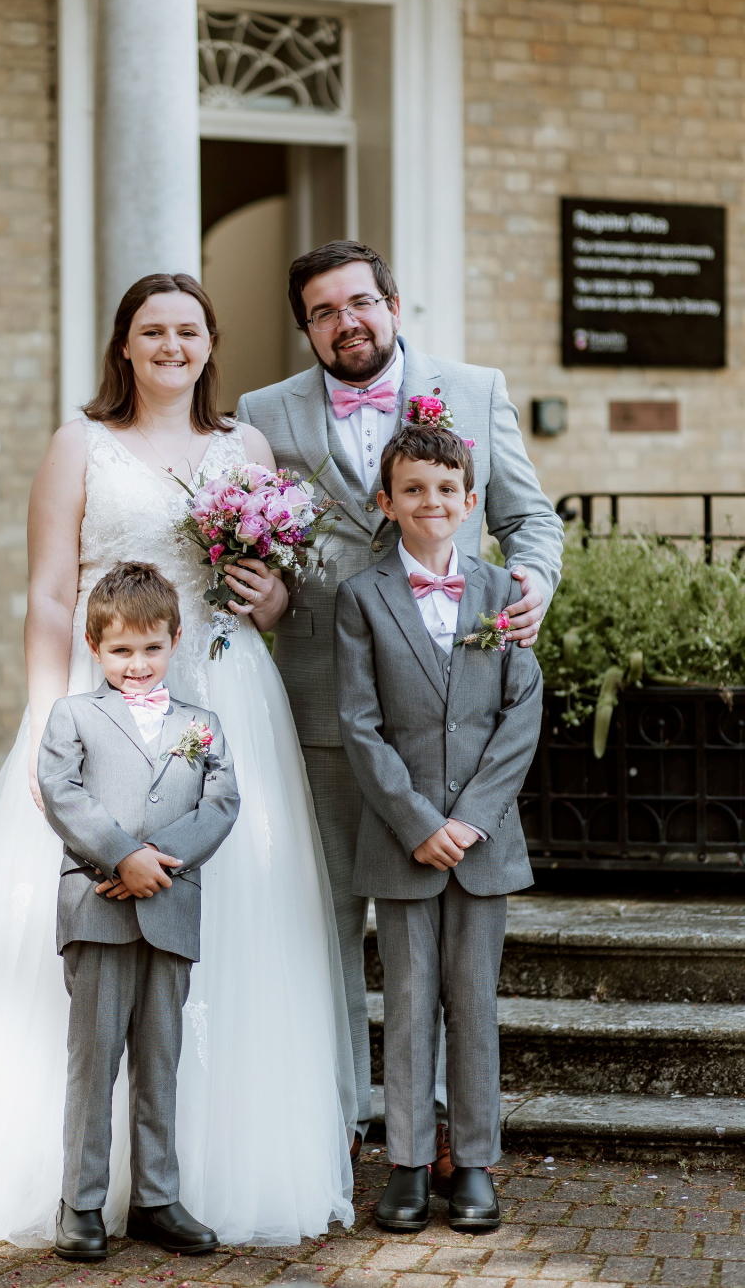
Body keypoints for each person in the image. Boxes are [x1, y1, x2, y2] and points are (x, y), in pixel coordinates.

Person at [0, 274, 355, 1248]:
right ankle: (74, 1183)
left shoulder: (246, 446)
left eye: (188, 329)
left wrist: (261, 594)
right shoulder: (80, 444)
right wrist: (43, 718)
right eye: (152, 330)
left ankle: (195, 1170)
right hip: (102, 707)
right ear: (124, 344)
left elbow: (271, 597)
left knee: (227, 924)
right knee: (89, 932)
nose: (171, 345)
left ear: (210, 341)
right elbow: (51, 597)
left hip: (223, 692)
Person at [237, 239, 563, 1167]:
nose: (347, 324)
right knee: (333, 921)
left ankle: (454, 1140)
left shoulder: (475, 387)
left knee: (450, 944)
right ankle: (346, 1123)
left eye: (359, 304)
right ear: (307, 326)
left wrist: (532, 583)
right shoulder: (264, 414)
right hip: (322, 704)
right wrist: (262, 596)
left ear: (392, 302)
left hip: (453, 701)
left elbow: (528, 518)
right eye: (324, 313)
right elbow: (254, 541)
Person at [335, 425, 543, 1233]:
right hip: (401, 837)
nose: (432, 502)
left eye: (446, 490)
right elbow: (360, 724)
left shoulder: (503, 594)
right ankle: (411, 1164)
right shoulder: (362, 596)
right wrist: (421, 822)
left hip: (484, 842)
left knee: (474, 1004)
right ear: (386, 503)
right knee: (411, 1002)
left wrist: (469, 819)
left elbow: (520, 713)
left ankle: (478, 1163)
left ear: (471, 502)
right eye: (413, 490)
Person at [39, 563, 240, 1261]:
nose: (137, 664)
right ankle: (81, 1202)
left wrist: (155, 862)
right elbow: (63, 794)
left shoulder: (201, 724)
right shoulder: (72, 715)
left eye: (151, 648)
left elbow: (221, 804)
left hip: (171, 907)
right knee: (93, 1061)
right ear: (95, 647)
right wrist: (122, 857)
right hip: (97, 906)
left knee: (161, 1060)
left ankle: (156, 1197)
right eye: (121, 650)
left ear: (175, 641)